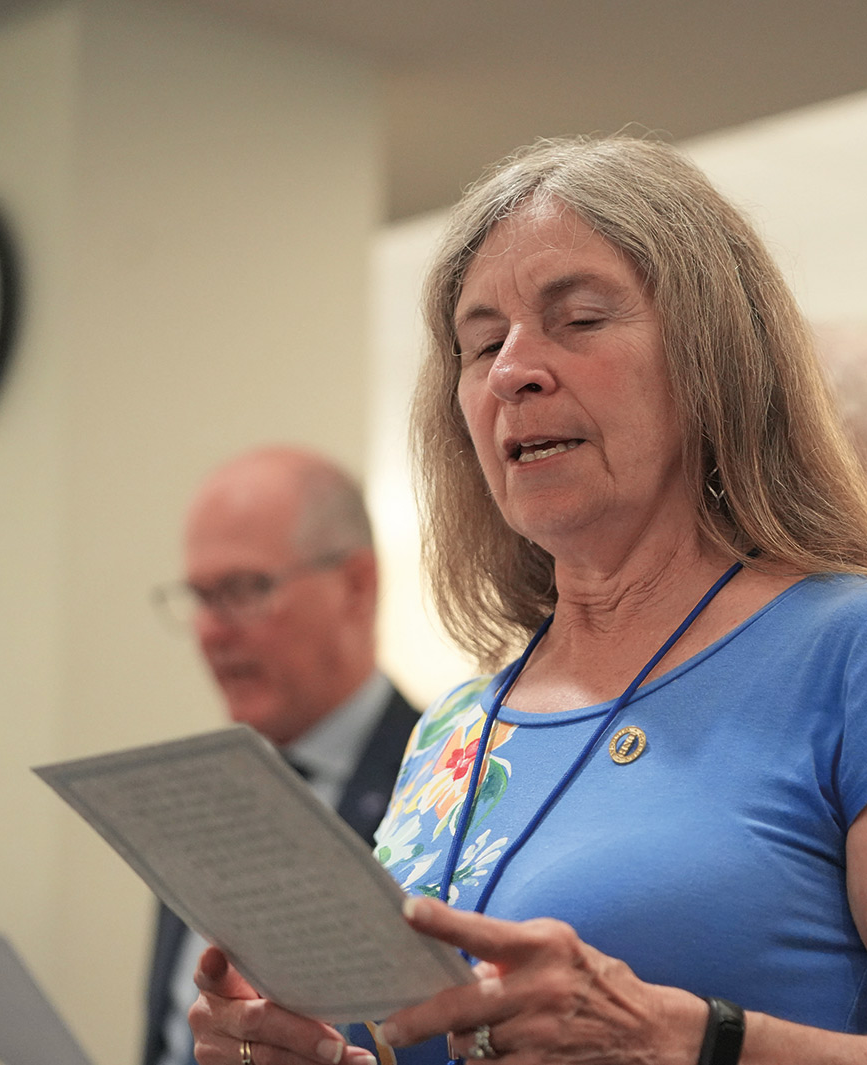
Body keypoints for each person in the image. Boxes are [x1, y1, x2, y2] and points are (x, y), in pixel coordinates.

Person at [188, 136, 867, 1065]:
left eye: (579, 319)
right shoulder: (458, 725)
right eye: (481, 344)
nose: (514, 369)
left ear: (716, 359)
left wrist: (676, 1036)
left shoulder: (843, 653)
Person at [143, 446, 419, 1065]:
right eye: (200, 596)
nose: (212, 631)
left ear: (356, 585)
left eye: (244, 589)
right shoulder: (194, 801)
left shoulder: (449, 780)